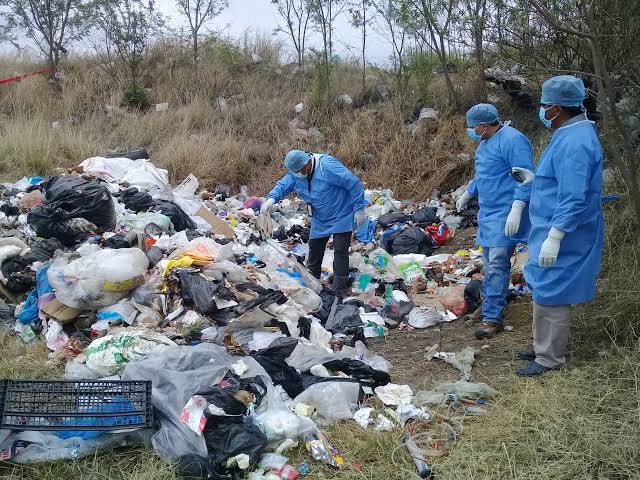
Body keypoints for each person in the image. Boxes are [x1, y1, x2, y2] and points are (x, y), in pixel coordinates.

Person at [512, 75, 604, 376]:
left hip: (566, 232)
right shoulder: (567, 132)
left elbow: (575, 196)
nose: (541, 110)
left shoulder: (576, 142)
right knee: (543, 286)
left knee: (553, 290)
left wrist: (556, 235)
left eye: (544, 105)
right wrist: (535, 179)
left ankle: (550, 358)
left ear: (557, 108)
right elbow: (560, 181)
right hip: (551, 226)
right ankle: (542, 346)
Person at [456, 103, 535, 339]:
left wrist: (518, 207)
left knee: (498, 264)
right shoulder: (484, 143)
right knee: (490, 263)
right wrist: (468, 192)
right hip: (489, 213)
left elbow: (525, 176)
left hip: (506, 211)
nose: (470, 130)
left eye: (472, 126)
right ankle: (488, 305)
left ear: (483, 124)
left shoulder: (513, 140)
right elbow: (484, 174)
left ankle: (493, 318)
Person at [261, 150, 366, 293]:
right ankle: (313, 281)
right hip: (320, 217)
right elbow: (283, 185)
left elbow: (354, 183)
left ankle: (339, 287)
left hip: (342, 214)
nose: (297, 174)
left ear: (308, 163)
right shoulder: (296, 173)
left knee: (340, 249)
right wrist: (271, 200)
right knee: (315, 247)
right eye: (294, 172)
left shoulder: (327, 166)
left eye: (299, 171)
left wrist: (359, 209)